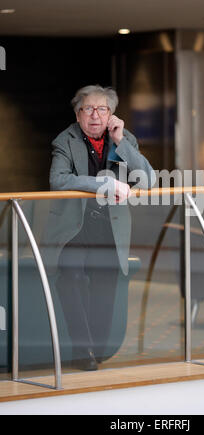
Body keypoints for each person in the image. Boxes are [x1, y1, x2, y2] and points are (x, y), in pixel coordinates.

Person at [48, 84, 155, 370]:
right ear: (78, 113)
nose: (95, 115)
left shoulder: (124, 138)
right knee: (70, 281)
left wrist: (121, 141)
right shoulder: (65, 140)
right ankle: (82, 351)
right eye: (88, 109)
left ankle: (98, 348)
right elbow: (59, 180)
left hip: (110, 226)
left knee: (106, 287)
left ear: (111, 114)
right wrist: (103, 184)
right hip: (75, 227)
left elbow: (148, 179)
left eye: (102, 109)